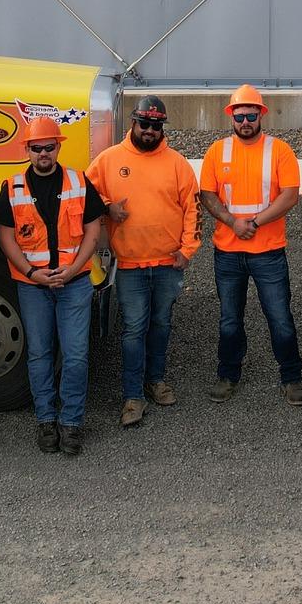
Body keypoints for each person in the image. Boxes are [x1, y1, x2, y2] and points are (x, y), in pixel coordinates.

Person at [88, 95, 199, 428]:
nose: (150, 131)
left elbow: (192, 209)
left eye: (156, 125)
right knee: (134, 330)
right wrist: (107, 206)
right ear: (133, 124)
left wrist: (187, 249)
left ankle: (157, 380)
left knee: (161, 324)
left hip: (168, 263)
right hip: (132, 267)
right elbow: (84, 191)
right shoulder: (108, 160)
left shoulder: (177, 163)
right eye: (144, 124)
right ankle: (133, 395)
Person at [0, 116, 107, 455]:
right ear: (27, 150)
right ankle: (46, 421)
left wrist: (74, 268)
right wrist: (33, 273)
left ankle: (71, 423)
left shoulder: (78, 180)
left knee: (75, 356)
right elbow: (6, 239)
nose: (43, 152)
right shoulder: (12, 187)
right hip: (33, 286)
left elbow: (93, 229)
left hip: (74, 283)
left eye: (49, 147)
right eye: (36, 148)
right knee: (40, 355)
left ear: (58, 146)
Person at [197, 84, 302, 406]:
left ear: (261, 115)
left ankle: (292, 377)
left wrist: (254, 223)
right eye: (240, 116)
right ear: (231, 117)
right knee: (230, 320)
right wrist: (233, 223)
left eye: (251, 115)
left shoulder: (279, 150)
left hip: (268, 252)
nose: (246, 121)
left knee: (280, 318)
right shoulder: (218, 151)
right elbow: (207, 194)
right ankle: (228, 374)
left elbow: (289, 195)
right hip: (228, 253)